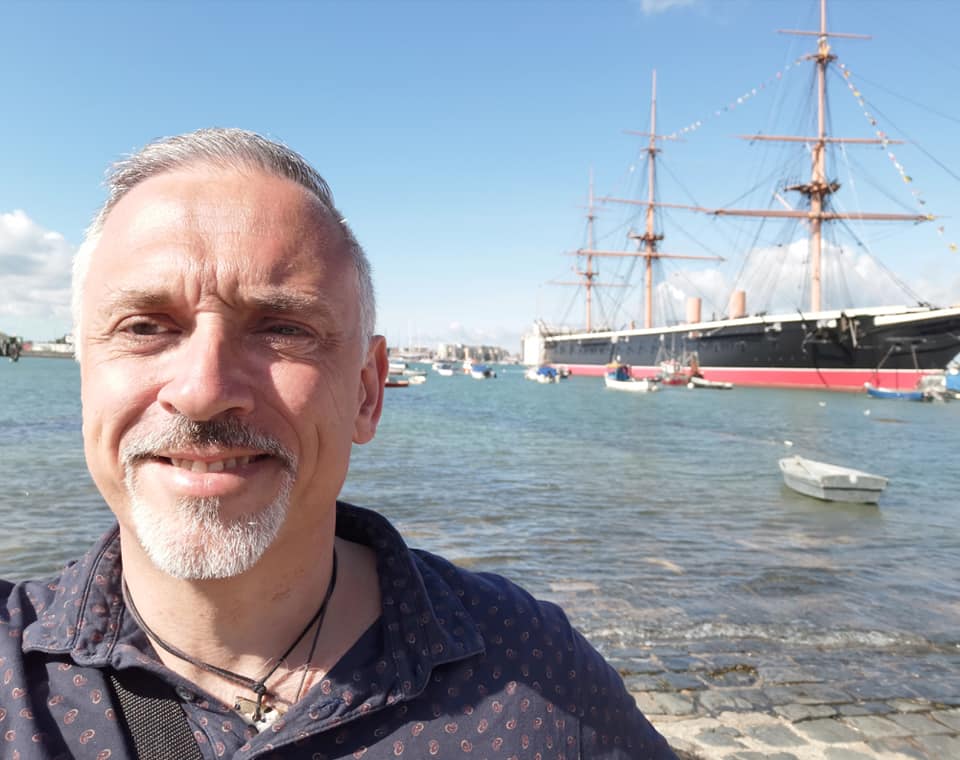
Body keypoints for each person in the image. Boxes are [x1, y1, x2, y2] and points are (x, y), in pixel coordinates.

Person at [0, 128, 677, 759]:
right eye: (145, 326)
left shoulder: (537, 677)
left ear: (367, 392)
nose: (203, 391)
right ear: (86, 379)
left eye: (282, 328)